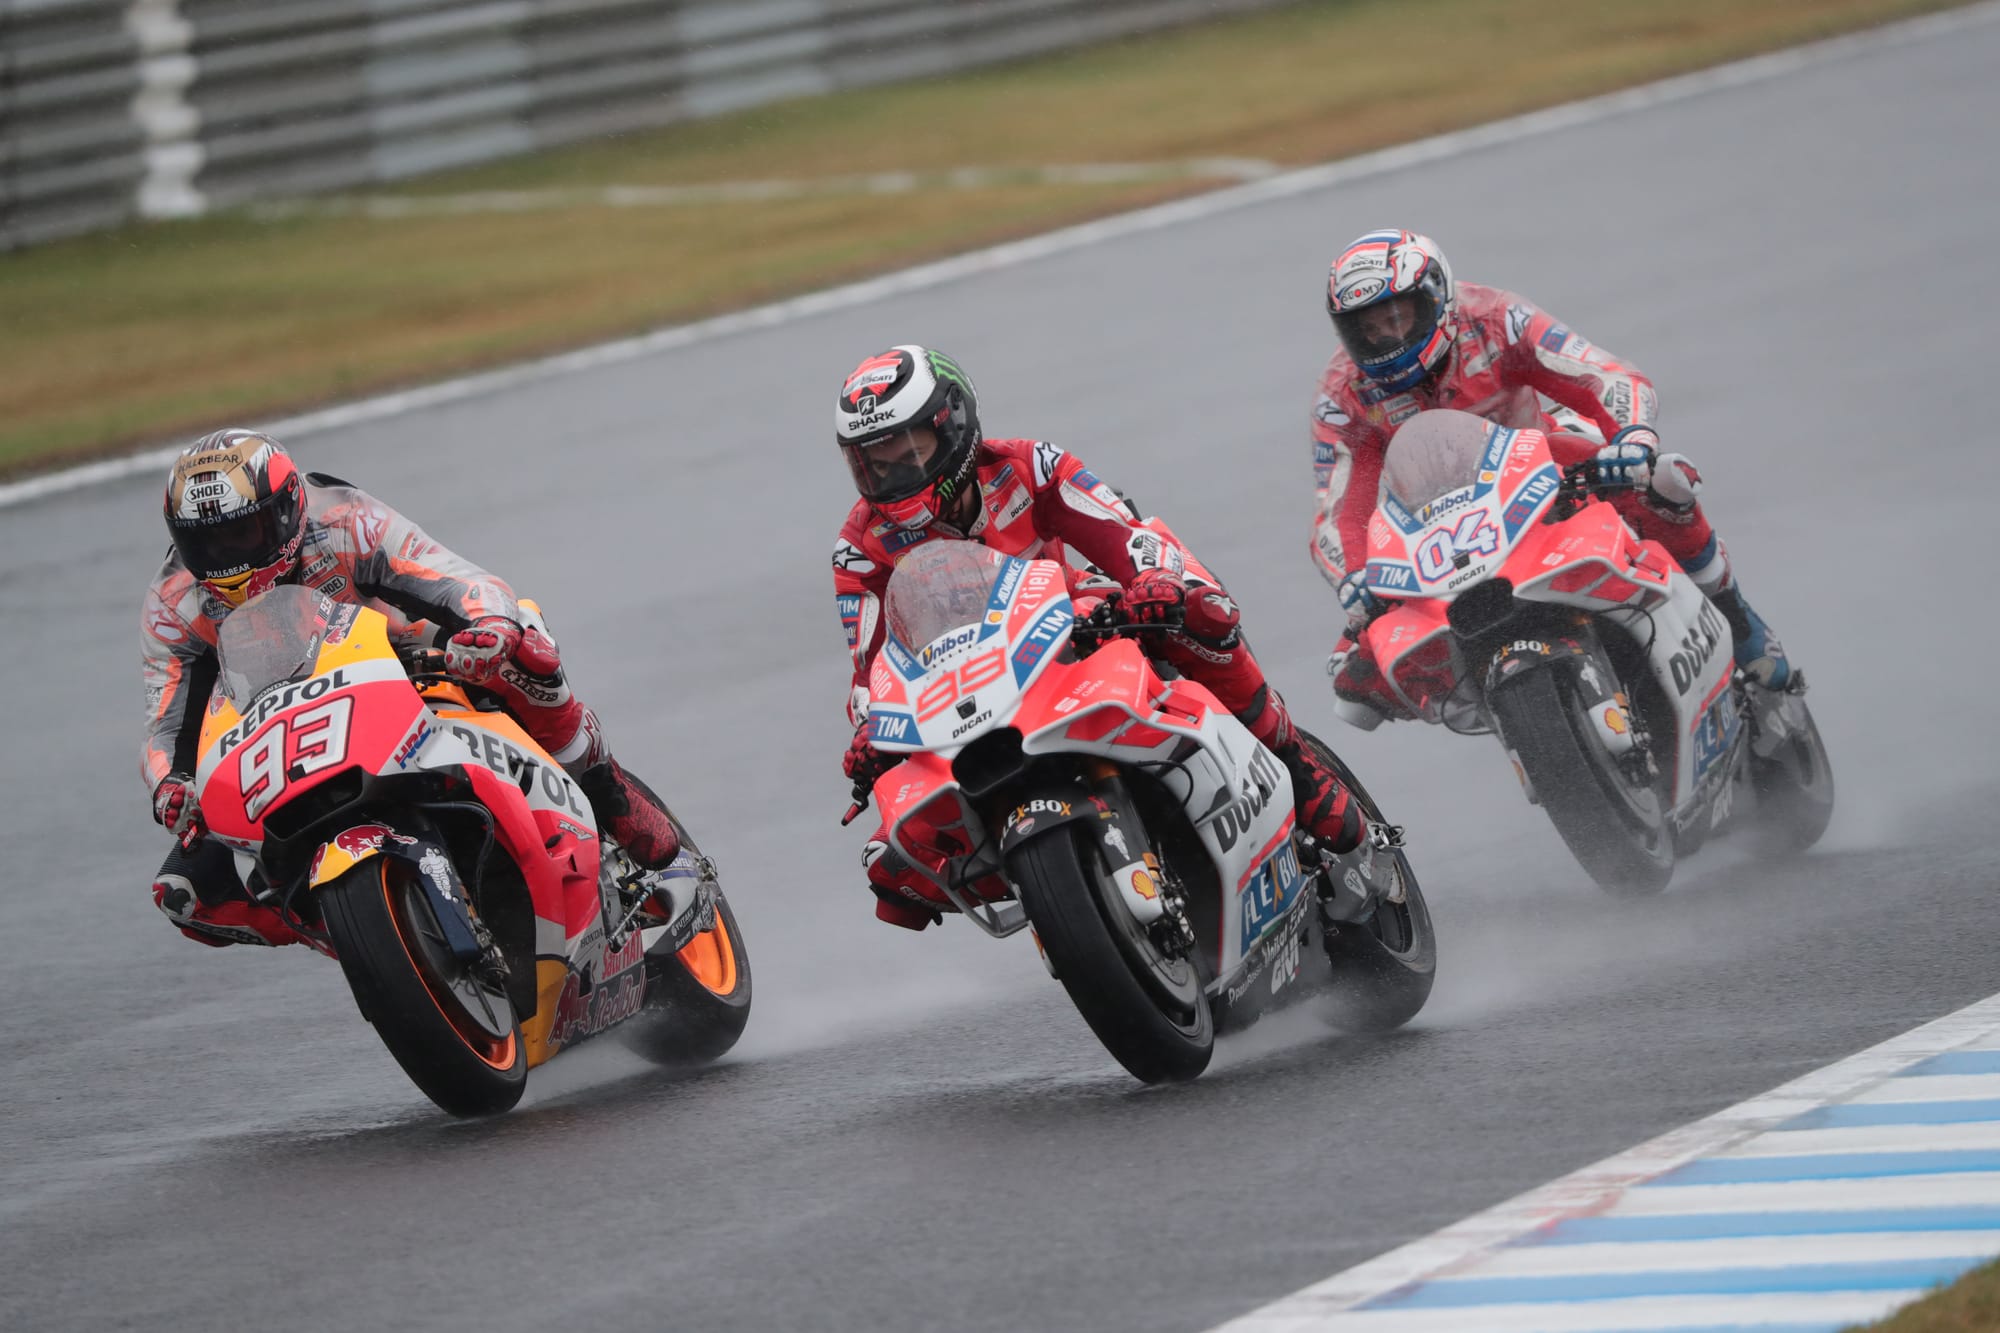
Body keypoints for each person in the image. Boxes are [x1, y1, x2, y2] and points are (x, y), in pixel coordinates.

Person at [831, 345, 1367, 932]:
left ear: (952, 425)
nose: (892, 476)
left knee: (1200, 612)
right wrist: (869, 732)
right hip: (961, 691)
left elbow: (1124, 532)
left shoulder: (1029, 466)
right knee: (893, 862)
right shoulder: (861, 547)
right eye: (874, 464)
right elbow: (872, 665)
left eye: (908, 453)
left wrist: (1158, 581)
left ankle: (1294, 762)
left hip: (1072, 626)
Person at [142, 428, 680, 949]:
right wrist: (171, 785)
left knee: (525, 648)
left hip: (407, 658)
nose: (227, 557)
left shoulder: (341, 520)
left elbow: (451, 576)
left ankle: (603, 788)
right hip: (279, 728)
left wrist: (488, 625)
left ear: (287, 509)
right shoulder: (175, 602)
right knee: (186, 893)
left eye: (242, 532)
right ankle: (360, 931)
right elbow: (167, 719)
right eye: (205, 543)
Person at [1310, 229, 1793, 727]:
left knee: (1664, 482)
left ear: (1434, 295)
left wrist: (1631, 437)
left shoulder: (1496, 319)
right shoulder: (1344, 393)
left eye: (1396, 318)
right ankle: (1496, 706)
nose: (1384, 339)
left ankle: (1741, 623)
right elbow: (1339, 505)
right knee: (1354, 677)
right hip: (1438, 522)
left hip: (1545, 470)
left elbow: (1600, 374)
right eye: (1365, 329)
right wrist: (1354, 575)